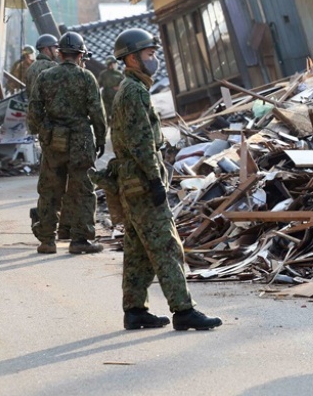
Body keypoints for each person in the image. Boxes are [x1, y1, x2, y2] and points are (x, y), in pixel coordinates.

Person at [110, 28, 221, 331]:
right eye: (149, 54)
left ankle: (134, 310)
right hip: (142, 183)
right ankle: (183, 310)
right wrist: (155, 181)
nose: (154, 59)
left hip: (132, 183)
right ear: (132, 58)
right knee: (166, 246)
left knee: (137, 250)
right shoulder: (133, 92)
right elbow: (141, 141)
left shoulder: (131, 89)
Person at [26, 32, 106, 255]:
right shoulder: (87, 77)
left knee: (50, 189)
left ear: (59, 53)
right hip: (81, 140)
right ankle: (80, 239)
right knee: (83, 190)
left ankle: (47, 241)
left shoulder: (45, 77)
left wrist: (45, 132)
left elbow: (33, 111)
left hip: (54, 141)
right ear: (80, 54)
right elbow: (97, 113)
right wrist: (100, 138)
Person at [26, 34, 72, 240]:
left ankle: (46, 216)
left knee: (49, 175)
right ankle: (48, 219)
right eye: (55, 48)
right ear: (46, 49)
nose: (57, 51)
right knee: (55, 178)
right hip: (54, 128)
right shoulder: (49, 70)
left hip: (43, 128)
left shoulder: (31, 70)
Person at [98, 56, 124, 120]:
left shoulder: (120, 74)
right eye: (111, 63)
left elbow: (125, 85)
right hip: (106, 99)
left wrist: (119, 88)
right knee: (105, 117)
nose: (113, 65)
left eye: (114, 63)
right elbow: (98, 85)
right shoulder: (103, 74)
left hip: (117, 99)